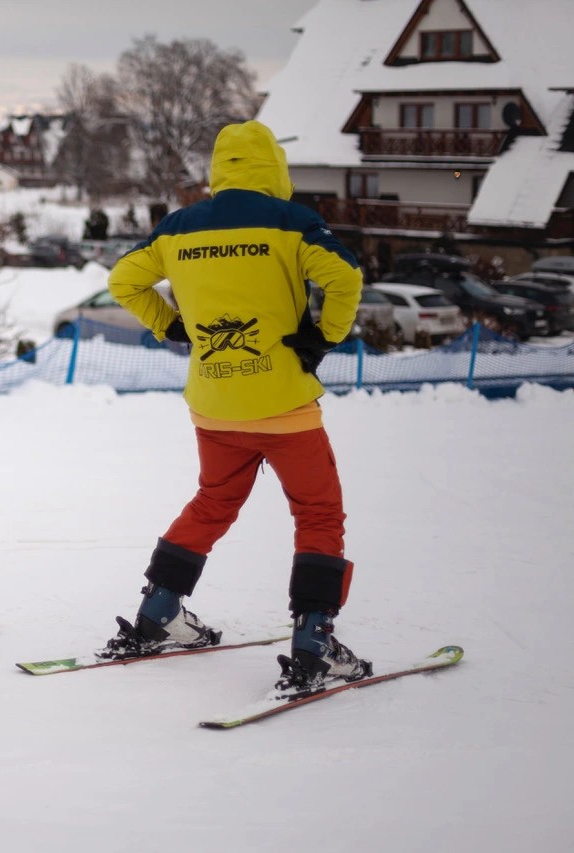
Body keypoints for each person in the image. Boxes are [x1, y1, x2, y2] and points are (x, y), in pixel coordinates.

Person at [105, 119, 371, 692]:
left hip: (215, 402)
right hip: (284, 403)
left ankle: (158, 611)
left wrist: (169, 324)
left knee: (213, 502)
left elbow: (124, 279)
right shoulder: (291, 221)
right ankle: (313, 637)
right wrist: (325, 335)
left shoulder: (179, 227)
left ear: (218, 170)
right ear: (274, 167)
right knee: (318, 513)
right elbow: (346, 274)